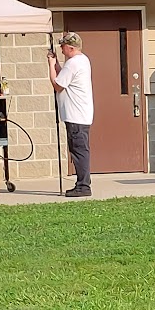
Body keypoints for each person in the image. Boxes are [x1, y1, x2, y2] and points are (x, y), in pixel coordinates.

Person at [48, 31, 94, 197]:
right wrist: (57, 64)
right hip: (80, 114)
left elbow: (58, 84)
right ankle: (82, 184)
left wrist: (51, 65)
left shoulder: (73, 63)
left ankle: (83, 186)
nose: (61, 49)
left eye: (62, 46)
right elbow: (65, 76)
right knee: (80, 149)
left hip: (76, 115)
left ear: (70, 47)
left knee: (79, 151)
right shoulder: (81, 60)